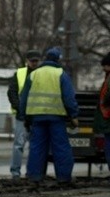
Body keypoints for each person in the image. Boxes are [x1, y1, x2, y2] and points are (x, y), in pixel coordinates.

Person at [19, 47, 79, 184]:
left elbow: (24, 98)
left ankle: (35, 176)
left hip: (37, 117)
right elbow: (69, 98)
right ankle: (64, 177)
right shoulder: (61, 74)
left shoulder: (34, 74)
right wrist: (73, 115)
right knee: (60, 147)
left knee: (37, 147)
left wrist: (24, 117)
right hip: (56, 117)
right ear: (58, 59)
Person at [7, 49, 41, 181]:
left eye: (36, 61)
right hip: (23, 116)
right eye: (32, 61)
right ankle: (16, 173)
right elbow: (12, 92)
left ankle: (31, 173)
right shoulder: (20, 74)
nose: (34, 63)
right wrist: (19, 108)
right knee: (19, 145)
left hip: (36, 115)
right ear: (27, 61)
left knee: (32, 146)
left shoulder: (40, 74)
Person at [92, 52, 110, 170]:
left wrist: (104, 103)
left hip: (108, 116)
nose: (103, 68)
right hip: (107, 116)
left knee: (109, 144)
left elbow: (106, 97)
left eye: (105, 66)